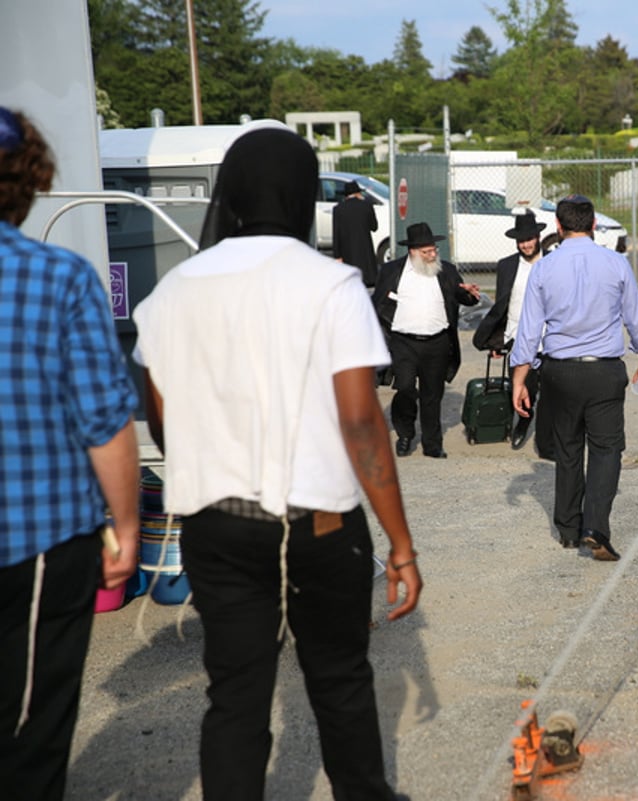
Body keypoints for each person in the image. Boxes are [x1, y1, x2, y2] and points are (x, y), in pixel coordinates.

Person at [131, 127, 423, 801]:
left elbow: (163, 418)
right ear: (301, 196)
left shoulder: (175, 288)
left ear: (230, 193)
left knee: (235, 695)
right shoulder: (330, 284)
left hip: (216, 527)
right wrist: (400, 544)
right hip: (316, 526)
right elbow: (359, 420)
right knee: (340, 680)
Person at [0, 107, 141, 801]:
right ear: (27, 181)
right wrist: (128, 525)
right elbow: (104, 419)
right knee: (31, 722)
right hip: (40, 536)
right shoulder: (58, 276)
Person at [510, 195, 638, 561]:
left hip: (560, 370)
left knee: (568, 448)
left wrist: (519, 378)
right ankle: (595, 526)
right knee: (607, 449)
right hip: (604, 369)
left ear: (558, 227)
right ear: (594, 225)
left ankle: (568, 527)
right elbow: (635, 317)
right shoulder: (616, 263)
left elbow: (529, 329)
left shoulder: (543, 268)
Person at [373, 222, 480, 459]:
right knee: (406, 389)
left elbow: (461, 294)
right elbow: (377, 304)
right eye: (426, 252)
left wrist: (471, 295)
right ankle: (405, 434)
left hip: (437, 342)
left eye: (434, 250)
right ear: (412, 251)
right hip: (403, 342)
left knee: (432, 395)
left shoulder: (447, 271)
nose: (432, 255)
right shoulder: (392, 271)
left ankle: (433, 444)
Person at [472, 211, 553, 457]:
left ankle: (547, 439)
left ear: (538, 237)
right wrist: (497, 341)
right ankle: (523, 424)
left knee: (550, 393)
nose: (526, 244)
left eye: (529, 239)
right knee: (523, 388)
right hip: (518, 336)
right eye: (521, 241)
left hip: (550, 337)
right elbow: (502, 306)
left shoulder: (553, 261)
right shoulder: (507, 265)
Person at [332, 179, 379, 287]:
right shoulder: (366, 206)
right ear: (358, 193)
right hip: (365, 253)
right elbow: (374, 227)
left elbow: (336, 233)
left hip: (347, 252)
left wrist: (337, 255)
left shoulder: (338, 209)